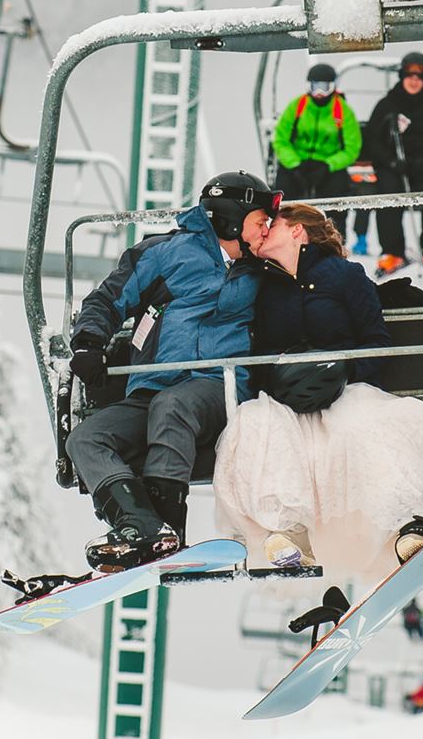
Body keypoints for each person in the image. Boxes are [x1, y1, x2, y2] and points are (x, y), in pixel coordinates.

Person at [209, 203, 423, 584]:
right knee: (255, 422)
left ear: (296, 231)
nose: (262, 232)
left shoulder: (344, 276)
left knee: (359, 425)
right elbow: (249, 350)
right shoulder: (259, 286)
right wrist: (281, 380)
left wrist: (341, 373)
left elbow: (376, 342)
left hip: (345, 389)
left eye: (272, 225)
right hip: (288, 396)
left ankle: (408, 524)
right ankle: (284, 532)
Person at [64, 170, 278, 572]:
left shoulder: (264, 266)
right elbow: (109, 298)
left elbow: (316, 276)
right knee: (85, 439)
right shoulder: (166, 253)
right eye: (258, 220)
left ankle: (168, 533)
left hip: (219, 388)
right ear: (230, 218)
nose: (265, 230)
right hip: (152, 388)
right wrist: (89, 342)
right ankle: (139, 525)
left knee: (173, 406)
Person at [364, 49, 423, 273]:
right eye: (409, 76)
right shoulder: (387, 105)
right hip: (394, 165)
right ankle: (392, 251)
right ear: (402, 76)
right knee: (388, 191)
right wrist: (390, 161)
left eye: (419, 77)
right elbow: (372, 140)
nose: (414, 81)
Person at [271, 63, 361, 234]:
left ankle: (335, 238)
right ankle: (282, 234)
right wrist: (294, 164)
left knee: (337, 196)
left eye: (324, 87)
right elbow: (280, 139)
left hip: (328, 164)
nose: (319, 93)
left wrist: (329, 165)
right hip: (297, 162)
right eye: (315, 86)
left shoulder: (342, 110)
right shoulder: (298, 106)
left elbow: (352, 148)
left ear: (333, 87)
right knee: (285, 194)